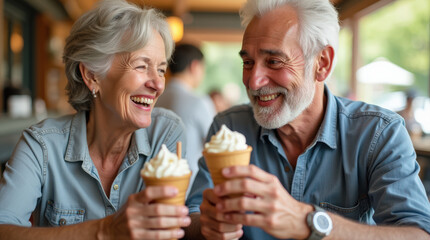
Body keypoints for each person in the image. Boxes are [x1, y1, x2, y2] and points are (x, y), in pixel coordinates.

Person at [184, 0, 430, 239]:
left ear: (322, 63)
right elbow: (193, 216)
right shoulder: (230, 128)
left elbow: (418, 233)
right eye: (248, 62)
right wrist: (207, 226)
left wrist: (307, 221)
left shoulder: (378, 133)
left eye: (274, 61)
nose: (253, 80)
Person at [0, 0, 191, 239]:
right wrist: (105, 230)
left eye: (161, 69)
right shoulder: (41, 145)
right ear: (92, 76)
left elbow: (184, 222)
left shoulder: (167, 134)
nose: (158, 84)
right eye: (142, 66)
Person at [156, 43, 216, 196]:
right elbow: (214, 144)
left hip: (155, 182)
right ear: (195, 66)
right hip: (189, 189)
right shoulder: (198, 102)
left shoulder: (154, 99)